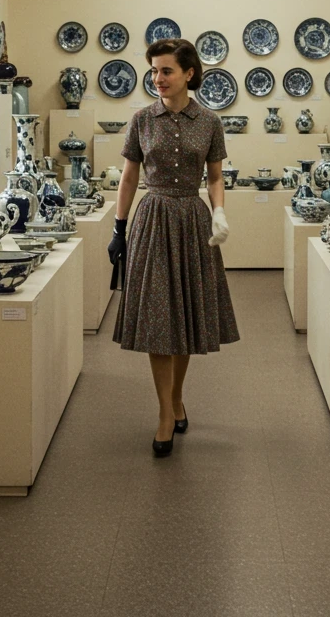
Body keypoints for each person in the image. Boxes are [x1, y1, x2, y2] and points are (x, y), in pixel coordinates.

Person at [108, 38, 239, 456]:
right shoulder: (142, 120)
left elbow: (215, 176)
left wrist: (218, 212)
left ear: (189, 74)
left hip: (193, 221)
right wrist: (118, 228)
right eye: (153, 71)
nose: (157, 79)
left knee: (183, 316)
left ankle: (177, 396)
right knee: (158, 320)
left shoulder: (210, 121)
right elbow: (129, 178)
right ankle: (166, 412)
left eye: (166, 71)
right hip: (153, 219)